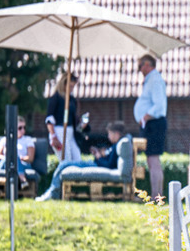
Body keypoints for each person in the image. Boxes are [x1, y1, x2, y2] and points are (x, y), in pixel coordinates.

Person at [36, 121, 129, 201]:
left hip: (95, 165)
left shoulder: (117, 146)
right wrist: (98, 153)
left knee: (64, 164)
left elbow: (108, 165)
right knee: (64, 164)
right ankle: (53, 192)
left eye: (110, 133)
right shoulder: (116, 145)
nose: (108, 136)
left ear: (116, 134)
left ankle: (52, 193)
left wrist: (98, 157)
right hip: (94, 164)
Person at [134, 54, 167, 198]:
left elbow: (159, 105)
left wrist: (146, 116)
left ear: (148, 64)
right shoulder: (151, 80)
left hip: (153, 124)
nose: (139, 69)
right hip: (151, 124)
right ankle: (157, 195)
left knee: (153, 160)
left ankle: (156, 196)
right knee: (153, 160)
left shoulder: (154, 80)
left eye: (140, 65)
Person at [45, 72, 82, 162]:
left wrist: (81, 124)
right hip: (59, 130)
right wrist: (54, 136)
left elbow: (73, 118)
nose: (71, 89)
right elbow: (49, 119)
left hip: (70, 131)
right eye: (70, 86)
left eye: (73, 86)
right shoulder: (56, 97)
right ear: (63, 84)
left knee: (77, 158)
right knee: (66, 160)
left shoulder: (71, 99)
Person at [0, 116, 36, 188]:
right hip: (5, 162)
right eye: (20, 128)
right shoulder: (4, 140)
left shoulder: (28, 140)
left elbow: (30, 158)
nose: (23, 130)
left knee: (15, 157)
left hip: (22, 163)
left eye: (24, 127)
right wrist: (8, 158)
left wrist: (20, 158)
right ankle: (22, 180)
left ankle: (16, 183)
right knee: (12, 157)